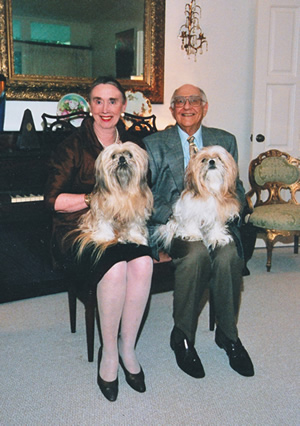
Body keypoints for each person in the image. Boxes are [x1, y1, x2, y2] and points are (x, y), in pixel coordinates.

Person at [44, 77, 153, 402]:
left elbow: (144, 189)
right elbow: (52, 200)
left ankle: (127, 348)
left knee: (144, 264)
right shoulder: (72, 146)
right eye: (98, 101)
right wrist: (95, 198)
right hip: (79, 227)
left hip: (127, 224)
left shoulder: (136, 144)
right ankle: (108, 353)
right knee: (115, 268)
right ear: (89, 105)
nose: (106, 109)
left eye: (113, 101)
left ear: (123, 106)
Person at [143, 84, 254, 378]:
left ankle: (228, 335)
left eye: (194, 101)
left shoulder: (225, 140)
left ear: (205, 107)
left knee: (229, 256)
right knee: (195, 257)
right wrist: (178, 216)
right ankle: (182, 336)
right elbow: (146, 195)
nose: (187, 106)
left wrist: (229, 208)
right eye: (180, 101)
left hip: (217, 221)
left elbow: (237, 187)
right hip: (177, 225)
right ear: (172, 109)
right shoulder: (153, 143)